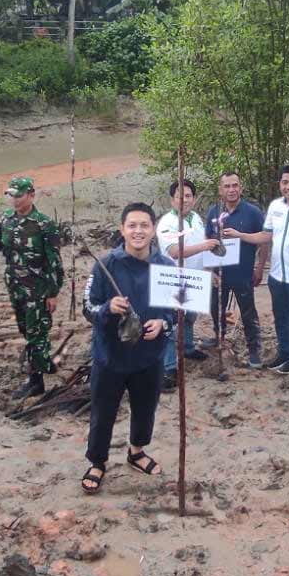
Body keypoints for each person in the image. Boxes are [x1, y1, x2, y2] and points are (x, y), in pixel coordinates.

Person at [81, 203, 177, 493]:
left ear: (153, 230)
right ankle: (98, 461)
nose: (138, 231)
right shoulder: (105, 265)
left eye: (144, 225)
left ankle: (136, 451)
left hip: (149, 357)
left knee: (146, 408)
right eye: (132, 225)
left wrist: (164, 323)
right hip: (110, 356)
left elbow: (180, 310)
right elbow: (88, 307)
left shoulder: (166, 267)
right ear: (122, 229)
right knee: (103, 411)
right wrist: (108, 308)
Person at [223, 164, 289, 374]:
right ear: (280, 184)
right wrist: (240, 235)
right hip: (277, 276)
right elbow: (265, 236)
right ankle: (284, 352)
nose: (288, 186)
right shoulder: (275, 207)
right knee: (280, 316)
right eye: (284, 182)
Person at [0, 177, 65, 399]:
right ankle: (42, 362)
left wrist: (53, 293)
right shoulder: (7, 220)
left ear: (31, 195)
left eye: (18, 195)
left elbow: (54, 262)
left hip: (37, 289)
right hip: (15, 286)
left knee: (36, 332)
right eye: (11, 195)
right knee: (26, 329)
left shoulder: (43, 224)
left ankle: (36, 381)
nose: (14, 200)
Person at [158, 179, 218, 389]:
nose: (184, 200)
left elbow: (204, 252)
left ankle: (188, 347)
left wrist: (209, 272)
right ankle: (169, 368)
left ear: (194, 198)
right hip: (174, 279)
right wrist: (205, 246)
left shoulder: (196, 219)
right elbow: (175, 252)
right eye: (179, 196)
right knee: (172, 322)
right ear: (172, 199)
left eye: (188, 195)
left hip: (196, 277)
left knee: (190, 316)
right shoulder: (167, 223)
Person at [206, 171, 267, 367]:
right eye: (227, 186)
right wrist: (210, 271)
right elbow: (208, 243)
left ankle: (254, 349)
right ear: (220, 190)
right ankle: (219, 338)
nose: (231, 190)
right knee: (216, 309)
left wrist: (260, 267)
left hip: (243, 273)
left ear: (241, 188)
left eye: (235, 185)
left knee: (248, 312)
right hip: (219, 274)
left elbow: (265, 240)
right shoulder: (213, 212)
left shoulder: (253, 212)